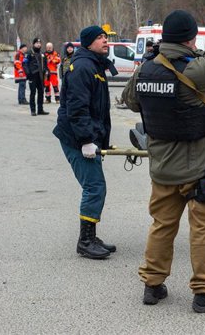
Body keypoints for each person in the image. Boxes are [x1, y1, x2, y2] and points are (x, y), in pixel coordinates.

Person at [122, 9, 205, 313]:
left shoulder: (146, 69)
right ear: (190, 38)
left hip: (161, 167)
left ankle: (152, 284)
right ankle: (204, 291)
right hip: (198, 167)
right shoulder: (196, 68)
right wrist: (194, 50)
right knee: (202, 229)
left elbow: (131, 100)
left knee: (162, 225)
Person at [53, 26, 118, 260]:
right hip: (76, 137)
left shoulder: (95, 64)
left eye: (106, 37)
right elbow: (77, 108)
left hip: (87, 136)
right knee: (94, 187)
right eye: (100, 38)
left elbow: (99, 110)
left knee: (95, 186)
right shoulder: (82, 67)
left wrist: (102, 140)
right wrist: (86, 141)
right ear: (88, 42)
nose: (105, 41)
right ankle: (86, 240)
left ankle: (92, 236)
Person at [24, 38, 49, 116]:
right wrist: (28, 73)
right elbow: (24, 64)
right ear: (33, 44)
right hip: (33, 76)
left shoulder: (42, 54)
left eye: (39, 43)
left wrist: (47, 71)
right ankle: (33, 110)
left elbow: (45, 64)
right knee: (33, 93)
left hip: (41, 76)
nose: (38, 44)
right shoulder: (29, 53)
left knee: (41, 92)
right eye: (37, 43)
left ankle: (40, 109)